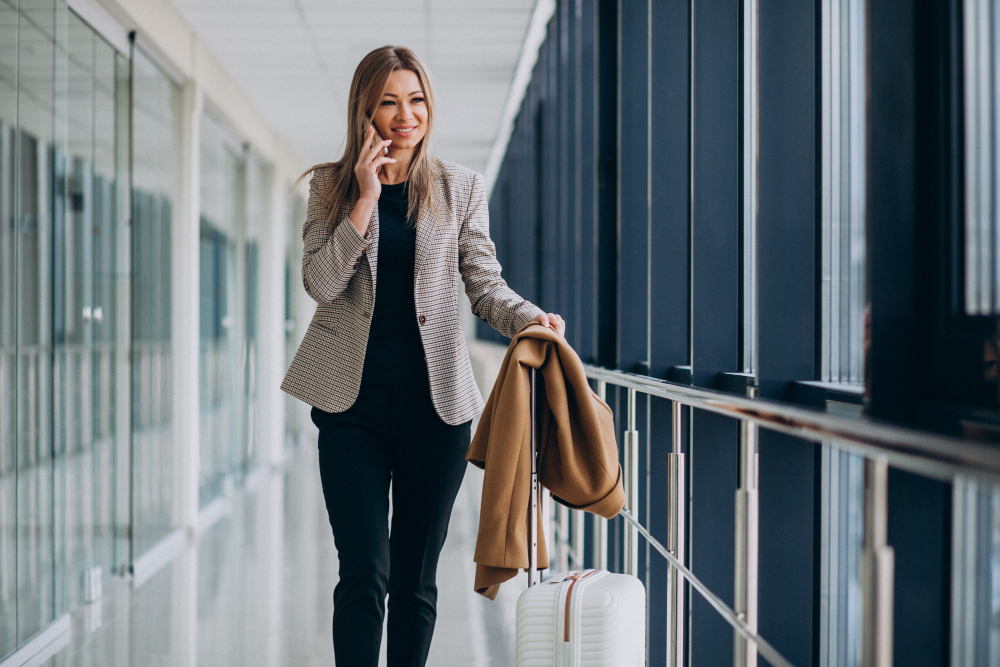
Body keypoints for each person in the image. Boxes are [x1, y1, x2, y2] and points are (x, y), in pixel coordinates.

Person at [280, 45, 565, 666]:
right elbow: (321, 284)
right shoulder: (330, 186)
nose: (406, 115)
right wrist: (363, 198)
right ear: (365, 111)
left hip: (435, 414)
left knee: (415, 577)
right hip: (350, 409)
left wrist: (529, 317)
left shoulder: (459, 187)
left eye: (416, 100)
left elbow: (483, 284)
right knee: (363, 571)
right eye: (389, 102)